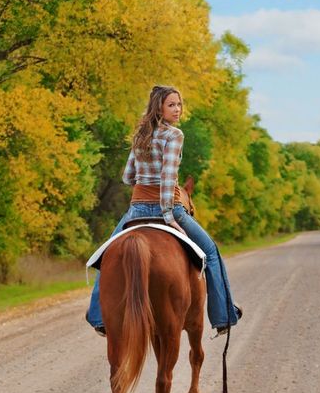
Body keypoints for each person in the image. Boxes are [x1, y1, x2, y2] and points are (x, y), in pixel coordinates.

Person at [86, 85, 242, 337]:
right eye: (171, 104)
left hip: (136, 210)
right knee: (211, 252)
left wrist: (145, 174)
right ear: (159, 107)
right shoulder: (174, 135)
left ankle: (98, 316)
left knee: (105, 257)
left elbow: (127, 177)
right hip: (166, 209)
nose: (177, 109)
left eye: (179, 104)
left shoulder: (141, 134)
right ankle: (223, 315)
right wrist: (169, 217)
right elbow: (169, 179)